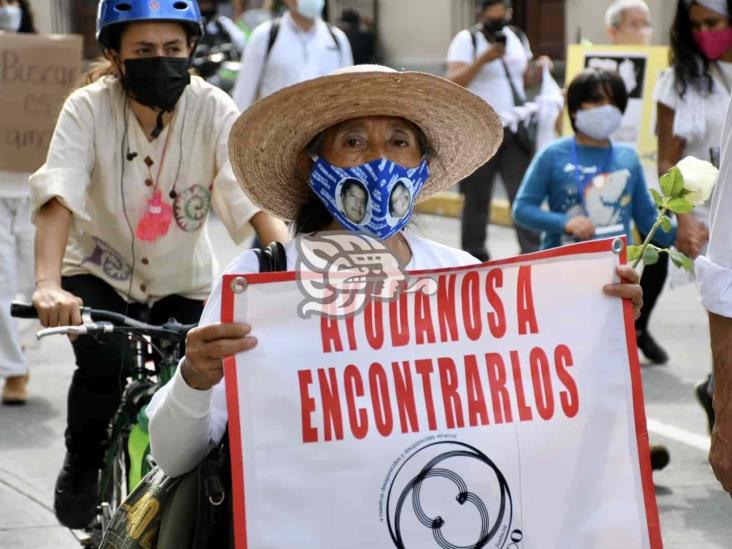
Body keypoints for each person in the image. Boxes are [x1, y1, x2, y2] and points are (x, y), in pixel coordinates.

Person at [145, 64, 645, 482]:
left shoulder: (461, 278)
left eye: (400, 142)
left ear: (421, 167)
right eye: (354, 141)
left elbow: (536, 416)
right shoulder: (260, 283)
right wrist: (194, 378)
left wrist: (600, 318)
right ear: (312, 165)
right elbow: (172, 457)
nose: (380, 160)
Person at [28, 0, 287, 529]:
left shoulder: (214, 108)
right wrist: (48, 285)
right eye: (143, 51)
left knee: (205, 387)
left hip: (180, 278)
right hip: (95, 274)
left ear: (192, 48)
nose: (161, 61)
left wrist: (290, 274)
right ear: (114, 56)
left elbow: (249, 200)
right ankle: (83, 463)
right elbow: (59, 193)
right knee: (103, 365)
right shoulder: (87, 108)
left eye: (173, 49)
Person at [513, 67, 675, 472]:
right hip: (559, 279)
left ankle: (634, 443)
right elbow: (522, 208)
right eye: (593, 101)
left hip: (613, 282)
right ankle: (558, 444)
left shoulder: (626, 158)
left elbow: (649, 220)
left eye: (611, 102)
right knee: (566, 364)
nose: (603, 109)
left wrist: (680, 220)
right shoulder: (552, 156)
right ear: (574, 109)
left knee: (616, 363)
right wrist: (563, 223)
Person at [656, 0, 732, 429]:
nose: (705, 33)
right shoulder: (679, 83)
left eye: (714, 23)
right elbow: (668, 160)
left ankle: (712, 388)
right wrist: (683, 217)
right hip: (715, 221)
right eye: (697, 25)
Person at [446, 0, 550, 261]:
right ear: (481, 11)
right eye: (497, 7)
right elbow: (453, 82)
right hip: (480, 131)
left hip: (514, 130)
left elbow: (524, 80)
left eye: (506, 8)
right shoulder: (466, 40)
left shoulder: (517, 36)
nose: (503, 13)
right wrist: (483, 59)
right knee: (477, 200)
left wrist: (539, 71)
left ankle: (531, 254)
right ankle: (474, 258)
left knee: (522, 194)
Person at [604, 0, 671, 365]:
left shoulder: (662, 74)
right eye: (635, 23)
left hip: (644, 176)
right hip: (603, 179)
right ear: (613, 30)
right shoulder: (590, 69)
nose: (644, 30)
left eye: (647, 23)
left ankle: (639, 325)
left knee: (659, 244)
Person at [0, 0, 37, 405]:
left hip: (33, 186)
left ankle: (18, 349)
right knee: (1, 281)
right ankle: (13, 370)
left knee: (30, 283)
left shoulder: (42, 56)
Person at [231, 0, 353, 111]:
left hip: (324, 131)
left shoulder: (337, 39)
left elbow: (349, 94)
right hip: (277, 130)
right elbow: (243, 95)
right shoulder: (265, 36)